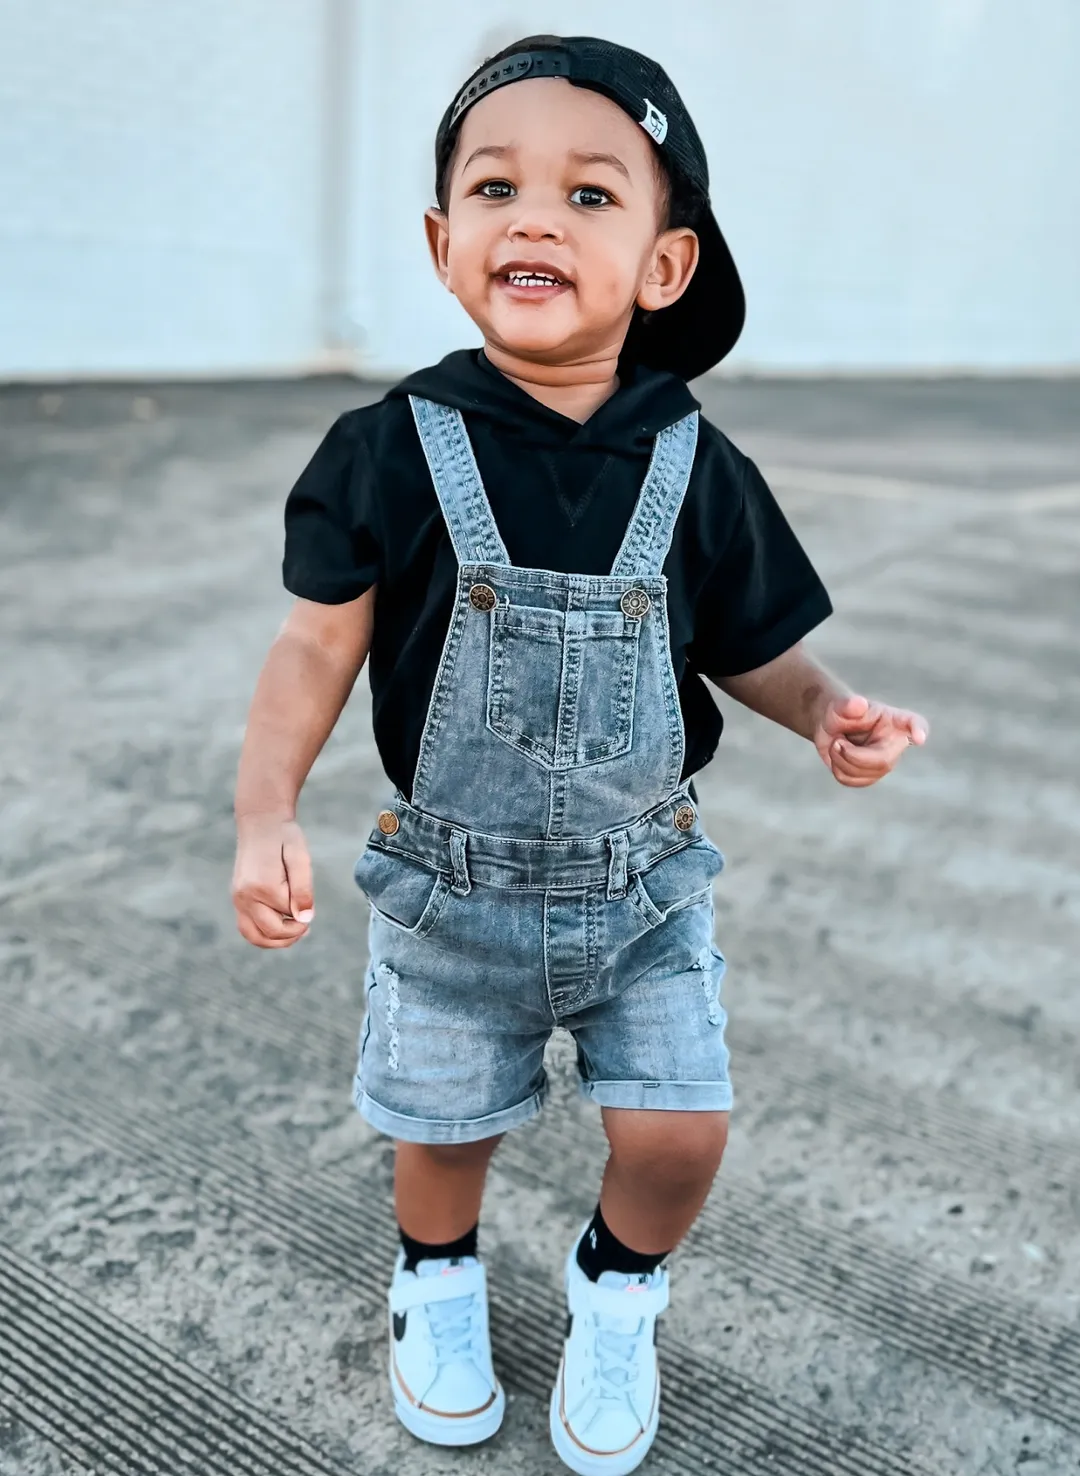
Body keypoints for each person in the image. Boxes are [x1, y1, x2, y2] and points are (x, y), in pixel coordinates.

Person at [231, 33, 929, 1476]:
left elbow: (755, 644)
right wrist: (263, 811)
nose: (534, 216)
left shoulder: (696, 463)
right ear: (443, 242)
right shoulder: (389, 446)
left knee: (681, 1133)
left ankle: (619, 1284)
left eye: (591, 195)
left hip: (645, 890)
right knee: (443, 1130)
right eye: (496, 186)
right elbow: (314, 644)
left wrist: (826, 711)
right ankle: (438, 1277)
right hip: (451, 890)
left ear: (665, 267)